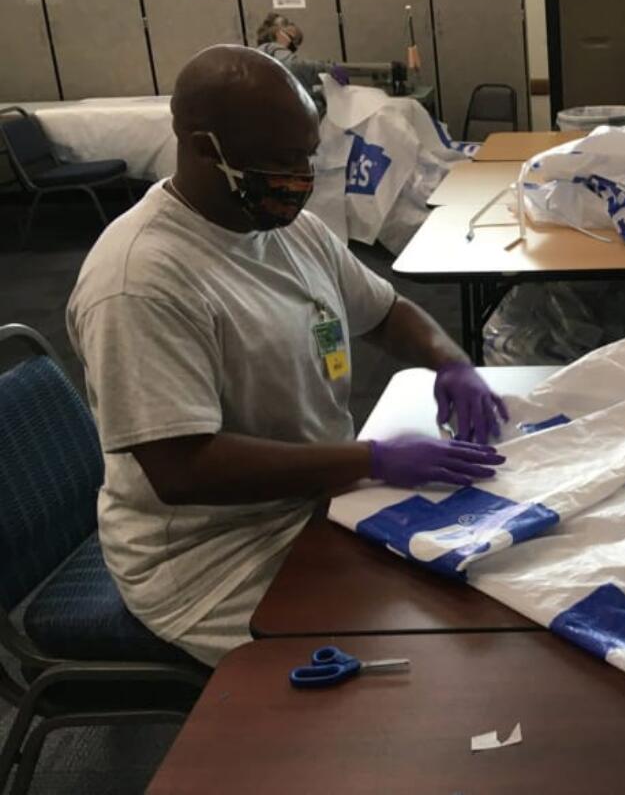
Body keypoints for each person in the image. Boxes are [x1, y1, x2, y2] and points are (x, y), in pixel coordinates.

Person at [66, 44, 507, 666]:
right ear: (200, 147)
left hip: (313, 498)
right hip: (214, 556)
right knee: (410, 655)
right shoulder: (141, 280)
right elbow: (182, 469)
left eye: (306, 155)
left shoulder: (287, 228)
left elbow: (385, 312)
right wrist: (373, 459)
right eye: (278, 162)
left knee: (480, 578)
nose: (299, 177)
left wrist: (451, 362)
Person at [254, 11, 347, 101]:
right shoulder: (272, 47)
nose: (293, 47)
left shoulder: (264, 53)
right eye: (292, 39)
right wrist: (327, 69)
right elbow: (292, 66)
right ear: (279, 33)